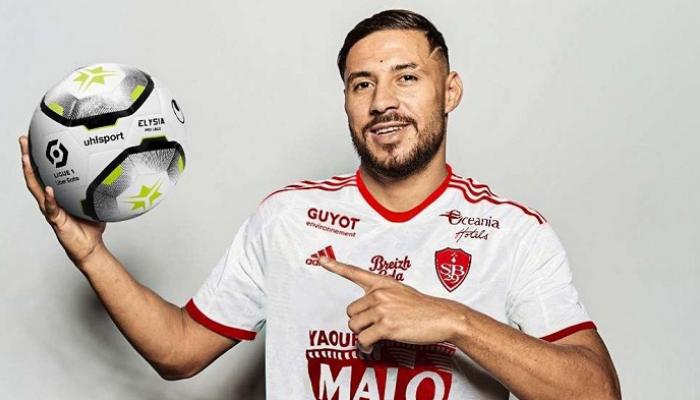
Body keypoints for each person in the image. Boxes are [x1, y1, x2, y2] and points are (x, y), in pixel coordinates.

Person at [19, 9, 620, 400]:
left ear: (450, 91)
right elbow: (179, 351)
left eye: (407, 77)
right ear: (347, 101)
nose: (383, 101)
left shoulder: (514, 234)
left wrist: (454, 320)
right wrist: (91, 254)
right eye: (363, 84)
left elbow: (598, 392)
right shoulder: (287, 219)